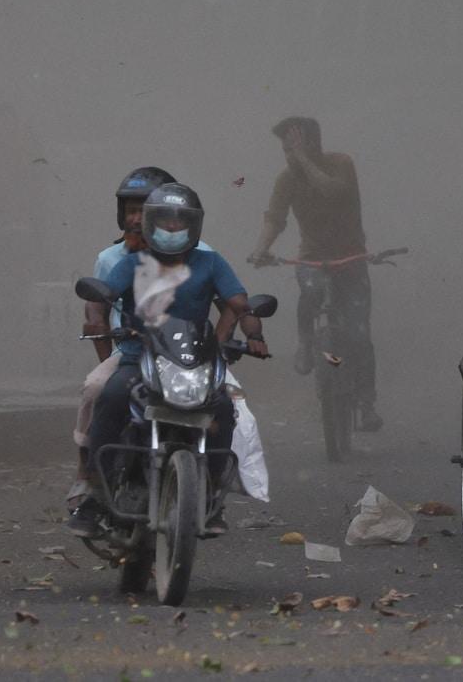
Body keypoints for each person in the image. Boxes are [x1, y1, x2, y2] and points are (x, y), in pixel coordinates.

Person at [71, 183, 268, 538]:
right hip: (138, 358)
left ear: (194, 226)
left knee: (223, 409)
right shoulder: (133, 263)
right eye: (165, 221)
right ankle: (97, 495)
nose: (173, 228)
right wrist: (96, 319)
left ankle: (211, 497)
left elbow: (239, 303)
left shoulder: (210, 262)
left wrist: (251, 336)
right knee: (111, 396)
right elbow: (100, 297)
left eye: (180, 222)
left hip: (194, 361)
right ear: (151, 224)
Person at [248, 117, 381, 432]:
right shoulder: (286, 179)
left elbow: (335, 193)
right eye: (285, 150)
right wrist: (260, 249)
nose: (289, 156)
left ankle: (367, 404)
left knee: (359, 333)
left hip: (350, 258)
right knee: (310, 293)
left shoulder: (341, 164)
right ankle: (306, 344)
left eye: (294, 148)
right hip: (313, 259)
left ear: (313, 145)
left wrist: (304, 160)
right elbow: (275, 218)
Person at [66, 166, 182, 514]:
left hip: (186, 355)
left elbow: (227, 301)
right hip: (130, 353)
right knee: (96, 389)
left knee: (230, 404)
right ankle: (88, 476)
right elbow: (97, 305)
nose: (135, 219)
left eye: (144, 211)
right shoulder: (111, 259)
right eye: (131, 211)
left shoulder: (197, 252)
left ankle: (216, 481)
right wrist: (107, 353)